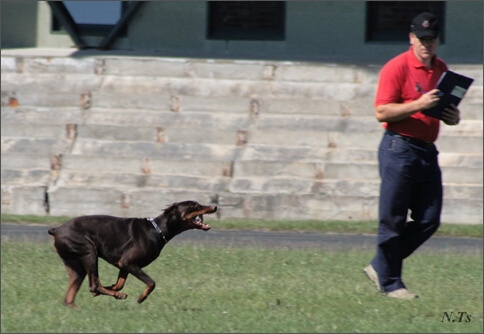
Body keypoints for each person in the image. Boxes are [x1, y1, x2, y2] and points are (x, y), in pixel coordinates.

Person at [363, 12, 461, 299]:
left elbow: (446, 113)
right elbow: (382, 111)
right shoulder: (396, 67)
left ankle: (380, 265)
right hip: (399, 148)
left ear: (438, 40)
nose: (426, 45)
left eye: (431, 39)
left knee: (429, 219)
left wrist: (452, 116)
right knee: (392, 218)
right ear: (411, 38)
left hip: (427, 152)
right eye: (421, 39)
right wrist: (418, 104)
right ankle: (392, 284)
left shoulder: (442, 70)